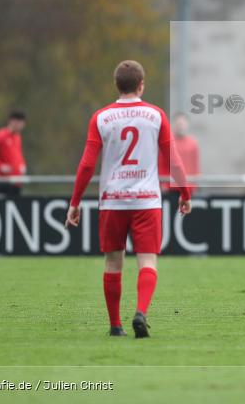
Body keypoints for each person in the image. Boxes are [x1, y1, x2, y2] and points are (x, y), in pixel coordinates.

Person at [65, 60, 192, 338]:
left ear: (116, 85)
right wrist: (185, 193)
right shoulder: (156, 115)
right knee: (147, 262)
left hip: (113, 200)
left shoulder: (101, 117)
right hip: (147, 200)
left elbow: (87, 164)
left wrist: (75, 202)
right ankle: (141, 312)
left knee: (113, 263)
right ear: (141, 84)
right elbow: (174, 160)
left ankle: (115, 325)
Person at [0, 110, 28, 196]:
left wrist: (22, 164)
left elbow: (17, 154)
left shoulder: (17, 136)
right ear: (13, 122)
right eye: (21, 123)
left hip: (17, 182)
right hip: (5, 182)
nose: (22, 126)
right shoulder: (2, 135)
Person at [160, 112, 200, 198]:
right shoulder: (167, 142)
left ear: (187, 125)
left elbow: (195, 166)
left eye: (182, 124)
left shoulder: (193, 144)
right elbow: (161, 164)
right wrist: (163, 183)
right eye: (178, 123)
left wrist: (195, 184)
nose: (180, 126)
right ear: (174, 124)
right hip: (171, 188)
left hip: (189, 187)